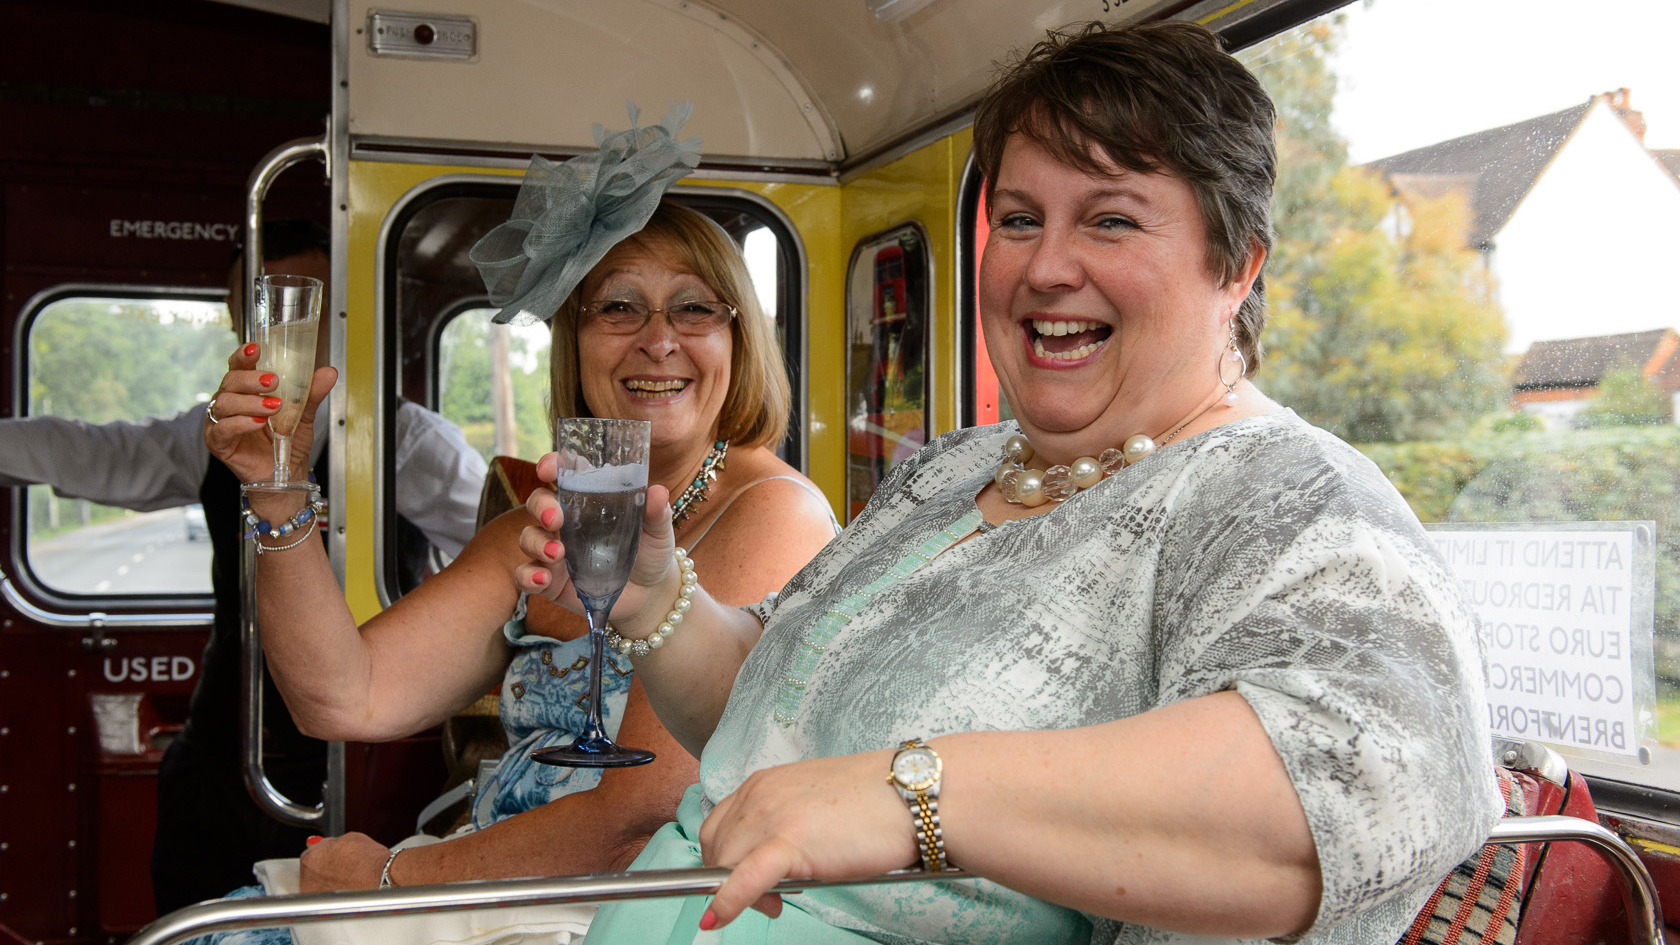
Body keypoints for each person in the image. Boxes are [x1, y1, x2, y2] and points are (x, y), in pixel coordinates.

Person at [516, 23, 1501, 945]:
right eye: (1020, 219)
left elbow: (1372, 783)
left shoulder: (1283, 492)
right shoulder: (958, 468)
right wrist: (653, 598)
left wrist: (916, 797)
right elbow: (775, 711)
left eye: (1111, 221)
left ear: (1235, 267)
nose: (1046, 267)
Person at [195, 106, 839, 943]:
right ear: (575, 343)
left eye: (693, 310)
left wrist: (392, 878)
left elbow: (636, 817)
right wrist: (277, 485)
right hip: (490, 884)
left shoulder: (773, 512)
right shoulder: (543, 521)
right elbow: (338, 692)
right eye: (618, 308)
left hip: (620, 911)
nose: (657, 341)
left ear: (739, 342)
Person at [0, 220, 489, 913]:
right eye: (257, 314)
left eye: (302, 315)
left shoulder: (405, 440)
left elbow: (499, 538)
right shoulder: (212, 434)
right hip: (225, 750)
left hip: (364, 754)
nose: (280, 335)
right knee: (193, 909)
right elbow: (98, 453)